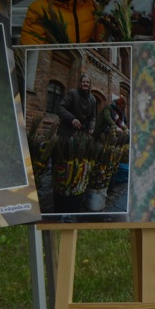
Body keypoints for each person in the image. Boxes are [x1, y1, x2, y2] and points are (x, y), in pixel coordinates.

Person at [51, 73, 98, 213]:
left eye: (88, 82)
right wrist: (72, 119)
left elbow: (93, 117)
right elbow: (60, 108)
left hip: (81, 137)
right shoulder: (72, 94)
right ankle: (59, 190)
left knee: (77, 167)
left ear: (90, 85)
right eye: (83, 82)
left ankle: (74, 190)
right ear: (80, 83)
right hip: (66, 134)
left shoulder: (92, 99)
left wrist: (91, 127)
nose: (85, 84)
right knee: (62, 165)